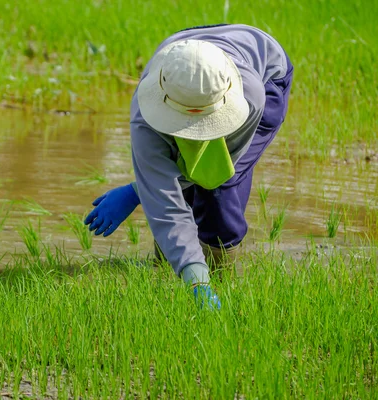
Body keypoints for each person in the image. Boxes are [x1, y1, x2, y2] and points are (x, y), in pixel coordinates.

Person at [84, 24, 294, 309]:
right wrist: (196, 281)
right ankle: (175, 263)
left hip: (268, 72)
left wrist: (140, 190)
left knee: (219, 187)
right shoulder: (147, 109)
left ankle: (222, 273)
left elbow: (213, 168)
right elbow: (165, 195)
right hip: (187, 51)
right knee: (172, 185)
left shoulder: (251, 98)